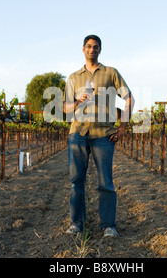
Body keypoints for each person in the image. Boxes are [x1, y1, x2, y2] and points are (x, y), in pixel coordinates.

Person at [63, 34, 134, 238]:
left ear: (100, 50)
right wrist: (77, 101)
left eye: (96, 47)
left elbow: (129, 98)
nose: (92, 49)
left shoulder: (111, 73)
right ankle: (77, 223)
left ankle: (108, 225)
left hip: (103, 135)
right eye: (88, 46)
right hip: (78, 134)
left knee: (106, 182)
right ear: (83, 49)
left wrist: (123, 127)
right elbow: (66, 109)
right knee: (76, 180)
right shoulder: (73, 78)